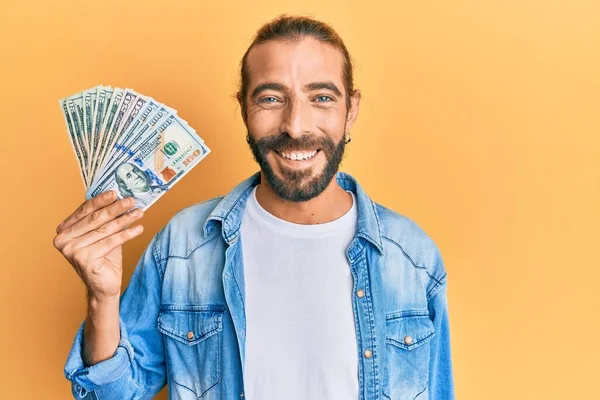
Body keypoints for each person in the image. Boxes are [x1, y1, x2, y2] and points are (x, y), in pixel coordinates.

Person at [54, 15, 455, 400]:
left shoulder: (412, 258)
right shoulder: (183, 246)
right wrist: (101, 300)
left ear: (350, 110)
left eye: (321, 97)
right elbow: (112, 395)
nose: (295, 126)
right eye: (270, 98)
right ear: (244, 109)